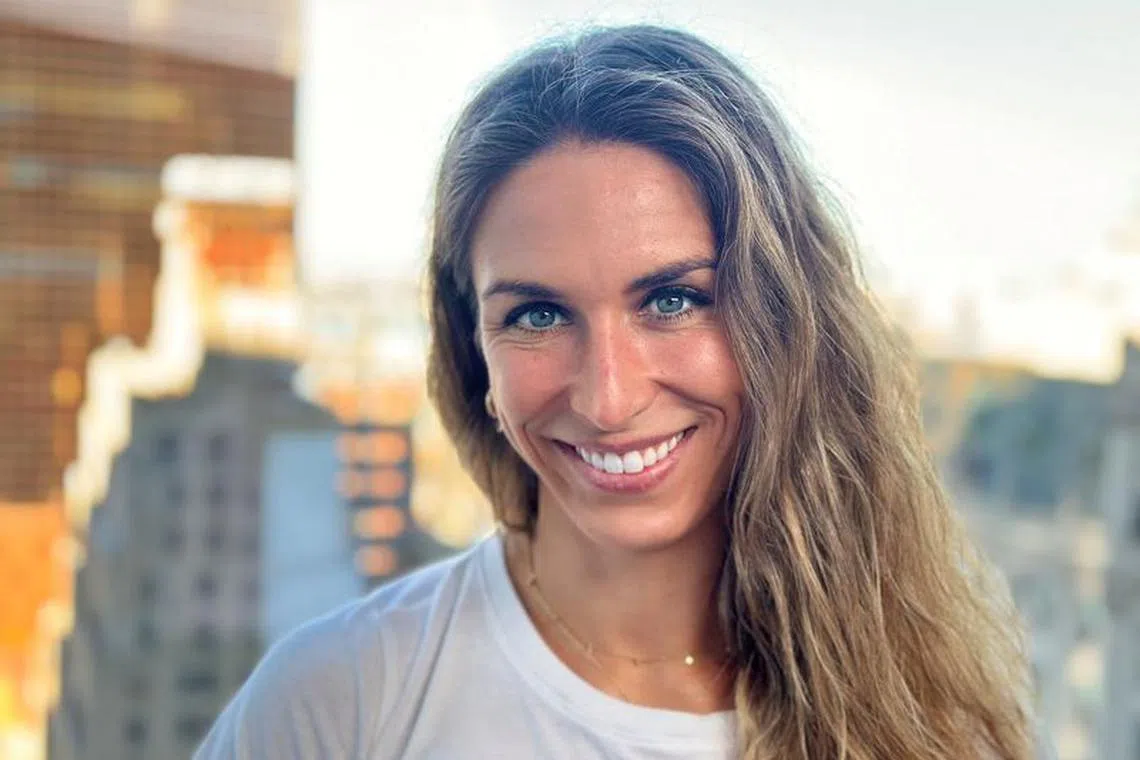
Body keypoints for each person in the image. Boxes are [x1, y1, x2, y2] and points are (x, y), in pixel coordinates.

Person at [195, 24, 1038, 759]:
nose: (608, 399)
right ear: (475, 355)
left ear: (784, 324)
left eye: (672, 301)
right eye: (537, 315)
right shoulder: (341, 701)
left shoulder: (931, 718)